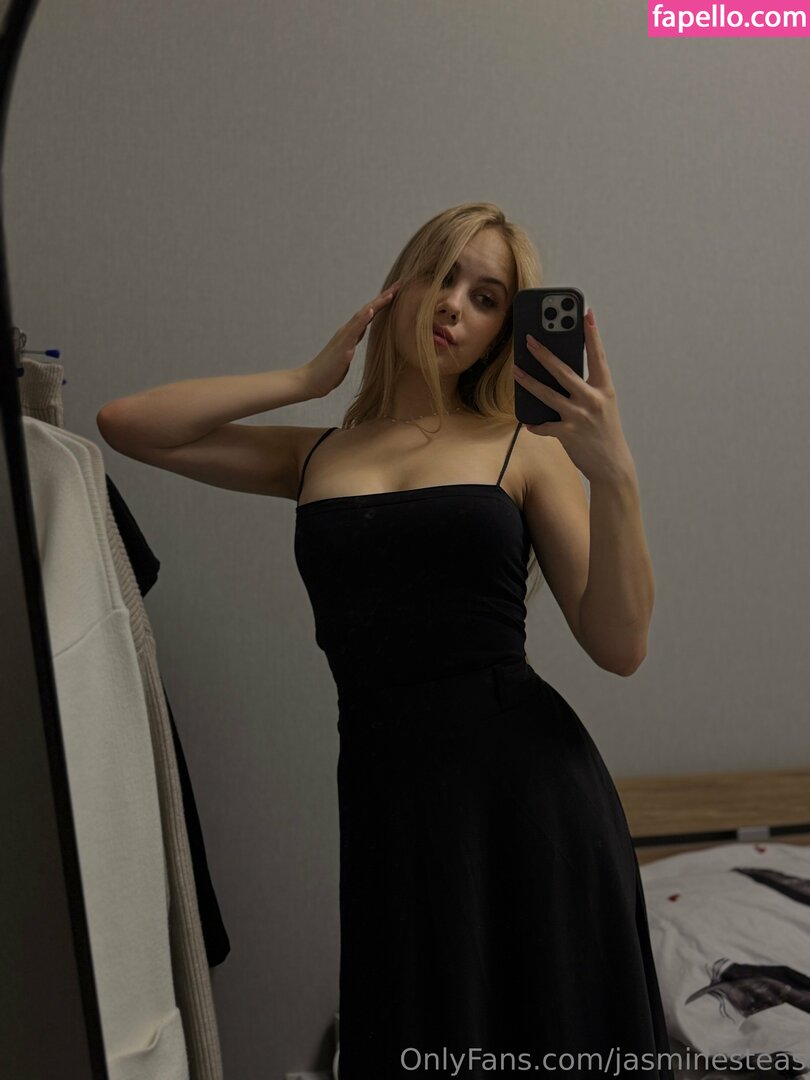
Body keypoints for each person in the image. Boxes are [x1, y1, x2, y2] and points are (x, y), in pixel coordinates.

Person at [98, 201, 674, 1079]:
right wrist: (306, 378)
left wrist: (617, 474)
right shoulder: (320, 454)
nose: (455, 306)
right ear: (401, 286)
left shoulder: (525, 448)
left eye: (487, 298)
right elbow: (128, 424)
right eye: (443, 276)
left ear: (503, 332)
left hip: (526, 797)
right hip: (387, 794)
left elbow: (621, 645)